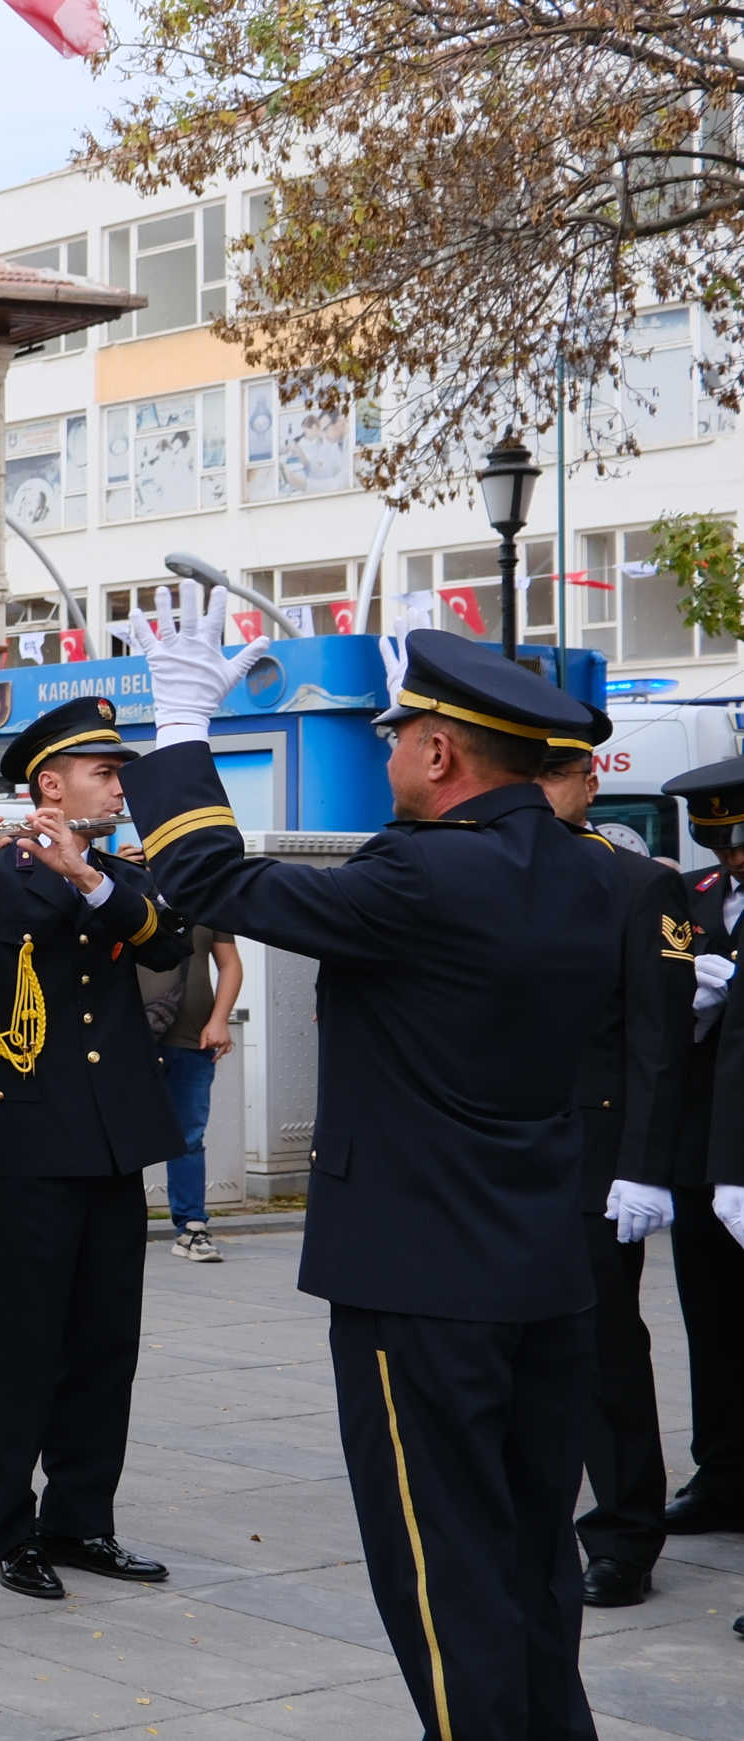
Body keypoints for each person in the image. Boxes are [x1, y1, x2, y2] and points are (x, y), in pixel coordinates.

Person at [126, 605, 622, 1741]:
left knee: (445, 1575)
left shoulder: (424, 879)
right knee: (535, 1564)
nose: (386, 751)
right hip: (543, 1269)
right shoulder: (590, 877)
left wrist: (184, 723)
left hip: (421, 1284)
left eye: (398, 734)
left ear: (441, 753)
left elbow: (208, 874)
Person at [0, 697, 188, 1601]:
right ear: (48, 784)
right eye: (104, 772)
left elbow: (170, 942)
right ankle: (9, 1527)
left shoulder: (122, 873)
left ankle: (81, 1520)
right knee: (19, 1343)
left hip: (114, 1139)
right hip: (25, 1141)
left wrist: (91, 878)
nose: (119, 786)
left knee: (106, 1344)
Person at [540, 710, 690, 1610]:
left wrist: (645, 1164)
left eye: (555, 775)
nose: (540, 792)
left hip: (596, 1151)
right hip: (507, 1146)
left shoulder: (635, 885)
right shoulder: (500, 879)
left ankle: (625, 1530)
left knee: (602, 1347)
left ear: (588, 781)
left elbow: (657, 1044)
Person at [659, 758, 744, 1540]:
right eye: (719, 843)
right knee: (709, 1322)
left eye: (740, 841)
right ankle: (720, 1473)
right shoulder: (691, 898)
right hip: (700, 1153)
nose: (731, 859)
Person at [143, 925, 241, 1259]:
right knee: (117, 1133)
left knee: (188, 1136)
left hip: (194, 1039)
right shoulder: (118, 882)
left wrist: (220, 1019)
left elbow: (229, 964)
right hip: (130, 1039)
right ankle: (106, 1228)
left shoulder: (206, 892)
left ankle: (191, 1228)